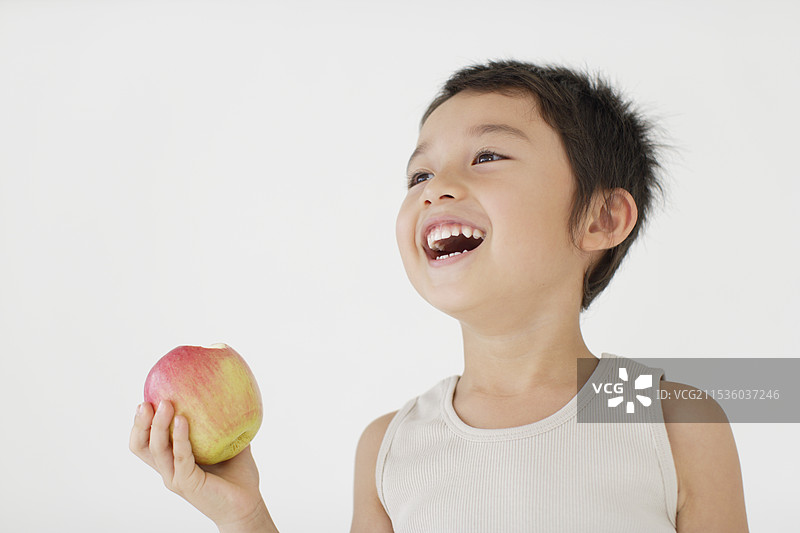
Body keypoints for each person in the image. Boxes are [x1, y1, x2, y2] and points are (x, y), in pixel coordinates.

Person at [129, 60, 749, 533]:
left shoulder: (673, 417)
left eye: (487, 155)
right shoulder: (389, 444)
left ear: (601, 218)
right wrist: (245, 516)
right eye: (419, 175)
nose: (434, 189)